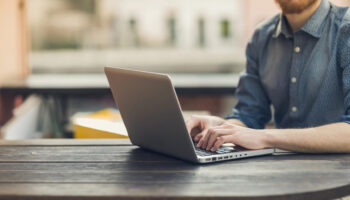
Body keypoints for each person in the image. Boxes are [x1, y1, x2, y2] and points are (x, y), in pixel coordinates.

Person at [186, 0, 350, 153]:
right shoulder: (261, 37)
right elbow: (249, 116)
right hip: (281, 172)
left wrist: (264, 137)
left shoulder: (346, 29)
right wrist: (220, 127)